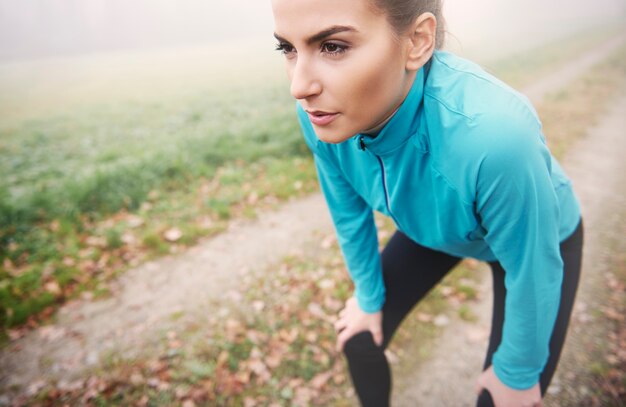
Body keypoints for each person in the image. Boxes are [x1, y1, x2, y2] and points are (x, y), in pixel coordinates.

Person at [270, 0, 584, 406]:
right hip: (437, 227)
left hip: (537, 243)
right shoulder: (322, 116)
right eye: (288, 49)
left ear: (418, 41)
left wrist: (517, 373)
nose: (299, 86)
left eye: (332, 46)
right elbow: (349, 214)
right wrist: (368, 299)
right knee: (359, 337)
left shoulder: (495, 136)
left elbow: (533, 264)